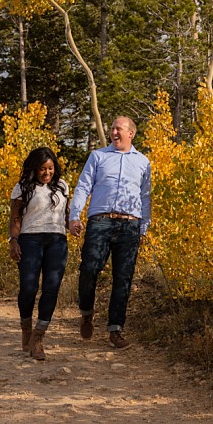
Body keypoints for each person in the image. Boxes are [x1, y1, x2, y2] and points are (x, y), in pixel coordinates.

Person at [69, 116, 152, 349]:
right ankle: (86, 313)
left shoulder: (143, 162)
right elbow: (83, 186)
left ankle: (116, 329)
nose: (114, 132)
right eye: (112, 129)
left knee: (123, 278)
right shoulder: (98, 157)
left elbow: (145, 197)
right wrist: (74, 216)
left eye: (119, 129)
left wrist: (143, 228)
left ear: (131, 133)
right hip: (100, 221)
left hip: (130, 225)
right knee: (88, 269)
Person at [9, 146, 70, 361]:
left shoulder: (62, 186)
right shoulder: (22, 187)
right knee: (28, 287)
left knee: (51, 288)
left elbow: (66, 214)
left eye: (51, 168)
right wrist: (13, 241)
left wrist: (73, 225)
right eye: (42, 169)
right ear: (34, 169)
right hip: (30, 239)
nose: (47, 173)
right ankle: (26, 325)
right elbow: (15, 218)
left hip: (57, 240)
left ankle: (38, 336)